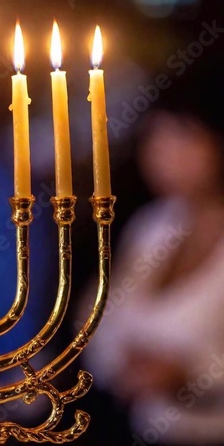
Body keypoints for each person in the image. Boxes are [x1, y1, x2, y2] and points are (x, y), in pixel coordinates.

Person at [78, 57, 224, 445]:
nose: (161, 153)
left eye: (182, 135)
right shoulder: (154, 225)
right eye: (154, 137)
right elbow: (95, 321)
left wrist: (190, 374)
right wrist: (125, 364)